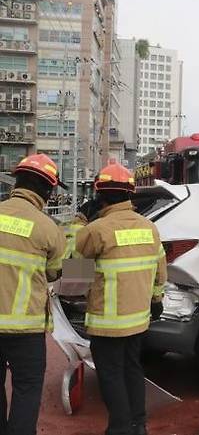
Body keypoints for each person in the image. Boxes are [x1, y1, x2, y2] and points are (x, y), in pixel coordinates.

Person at [74, 163, 167, 435]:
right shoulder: (149, 228)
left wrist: (79, 226)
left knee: (111, 374)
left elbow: (74, 278)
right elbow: (160, 270)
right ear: (131, 194)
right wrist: (156, 299)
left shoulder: (96, 230)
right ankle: (139, 425)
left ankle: (119, 428)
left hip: (107, 321)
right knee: (132, 369)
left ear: (99, 195)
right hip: (138, 319)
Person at [0, 154, 67, 435]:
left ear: (17, 180)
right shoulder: (48, 228)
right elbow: (55, 273)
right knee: (27, 390)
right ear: (48, 190)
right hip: (25, 329)